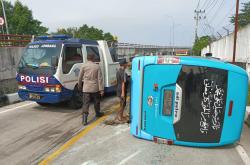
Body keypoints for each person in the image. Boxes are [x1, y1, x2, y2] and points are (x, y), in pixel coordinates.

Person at [78, 53, 104, 125]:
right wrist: (101, 89)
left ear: (87, 58)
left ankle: (84, 120)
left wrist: (79, 85)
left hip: (86, 88)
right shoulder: (97, 66)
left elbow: (80, 77)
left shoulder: (83, 66)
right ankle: (98, 113)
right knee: (96, 102)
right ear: (93, 58)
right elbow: (100, 79)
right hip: (95, 88)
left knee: (85, 103)